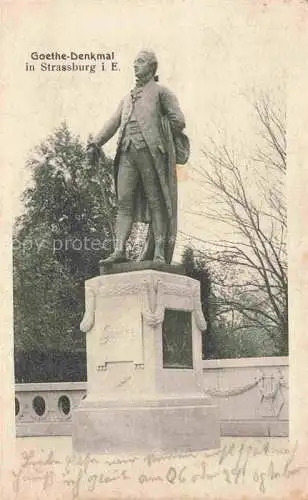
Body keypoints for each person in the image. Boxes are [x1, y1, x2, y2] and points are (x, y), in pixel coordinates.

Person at [87, 50, 187, 264]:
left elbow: (178, 120)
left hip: (151, 154)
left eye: (140, 62)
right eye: (134, 62)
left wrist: (161, 132)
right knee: (124, 202)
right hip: (127, 154)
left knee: (156, 201)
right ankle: (119, 250)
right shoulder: (127, 98)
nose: (135, 65)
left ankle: (159, 252)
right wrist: (95, 142)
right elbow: (113, 123)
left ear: (152, 67)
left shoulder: (161, 93)